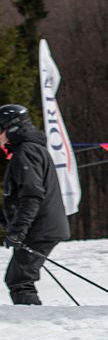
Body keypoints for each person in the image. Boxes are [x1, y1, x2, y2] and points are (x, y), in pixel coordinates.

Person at [0, 103, 70, 305]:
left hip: (41, 228)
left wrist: (19, 230)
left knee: (19, 280)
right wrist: (7, 221)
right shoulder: (28, 149)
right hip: (41, 226)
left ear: (10, 128)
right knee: (18, 278)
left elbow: (32, 195)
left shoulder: (26, 151)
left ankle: (34, 319)